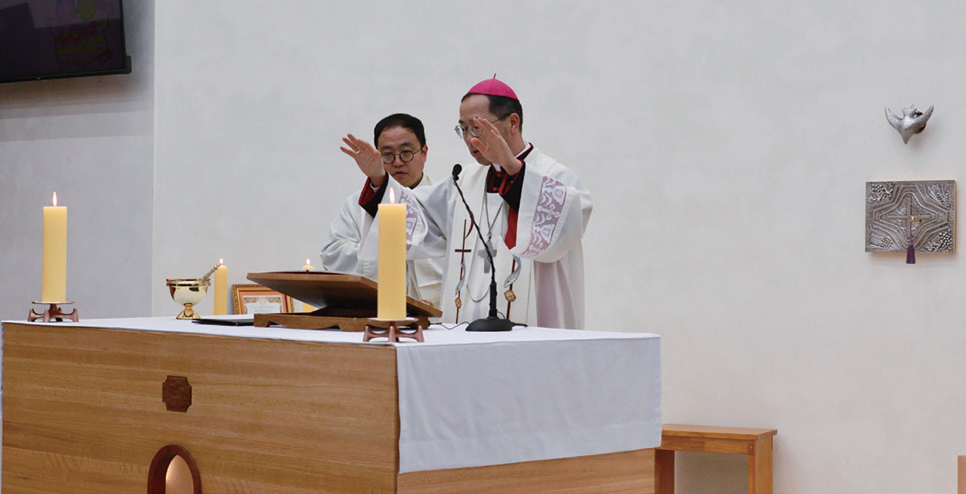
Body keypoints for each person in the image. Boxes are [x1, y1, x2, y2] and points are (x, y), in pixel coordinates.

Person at [341, 77, 592, 329]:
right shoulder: (464, 181)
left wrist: (513, 170)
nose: (470, 139)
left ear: (512, 122)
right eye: (463, 129)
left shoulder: (554, 176)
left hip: (536, 329)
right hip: (465, 329)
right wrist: (379, 178)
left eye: (477, 127)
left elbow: (562, 234)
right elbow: (414, 220)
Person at [323, 113, 443, 307]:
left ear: (424, 152)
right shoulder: (355, 205)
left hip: (437, 313)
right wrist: (389, 251)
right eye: (387, 155)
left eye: (406, 152)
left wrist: (387, 247)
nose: (397, 162)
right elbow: (333, 256)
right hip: (374, 311)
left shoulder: (444, 201)